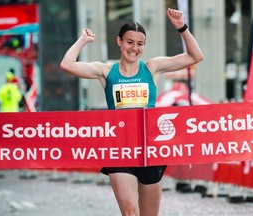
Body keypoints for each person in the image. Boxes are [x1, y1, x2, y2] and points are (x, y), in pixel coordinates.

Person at [60, 8, 203, 216]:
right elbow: (67, 65)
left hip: (149, 149)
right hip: (120, 150)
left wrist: (181, 27)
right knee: (130, 211)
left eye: (140, 44)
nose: (134, 48)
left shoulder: (152, 68)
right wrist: (83, 39)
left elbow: (196, 56)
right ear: (119, 41)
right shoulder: (107, 71)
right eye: (129, 42)